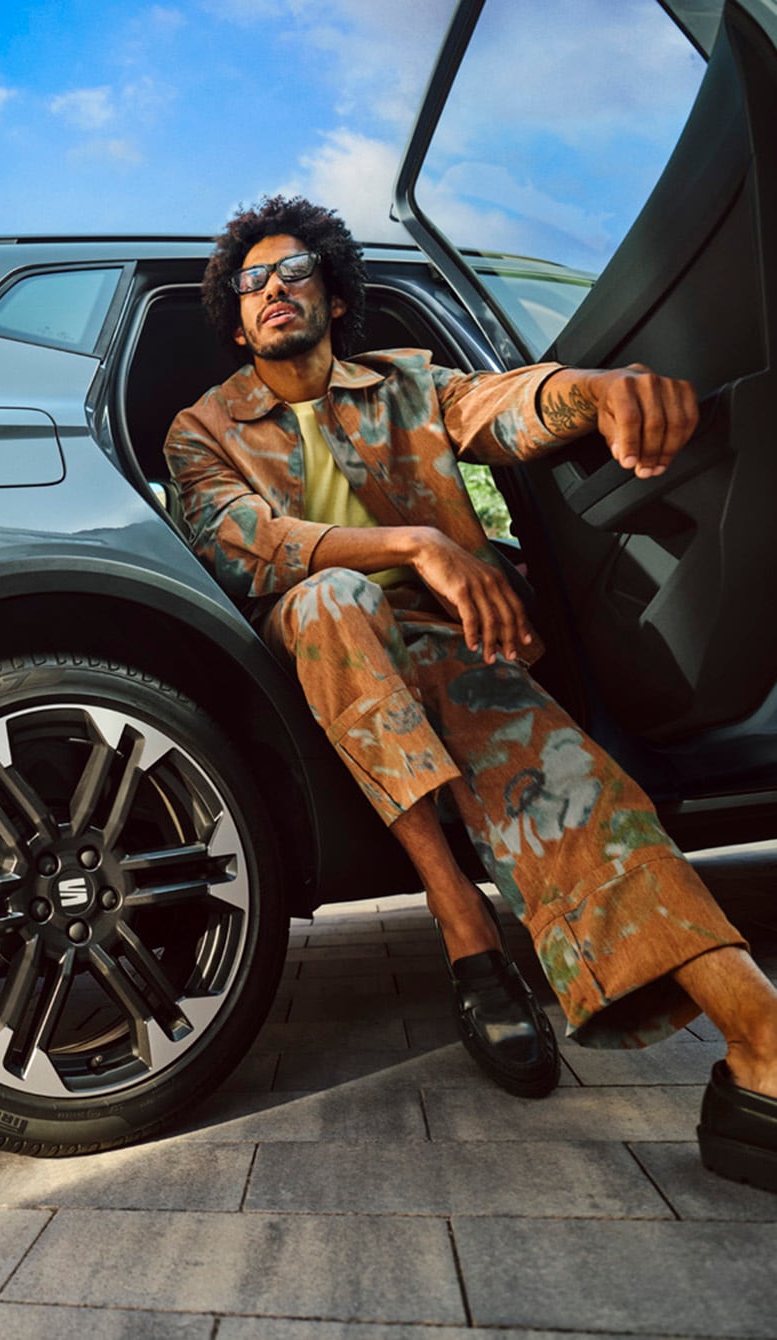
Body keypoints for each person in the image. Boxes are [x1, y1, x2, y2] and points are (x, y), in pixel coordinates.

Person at [165, 194, 777, 1191]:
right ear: (235, 320)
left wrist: (591, 387)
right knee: (333, 598)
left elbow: (504, 404)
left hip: (446, 643)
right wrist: (418, 542)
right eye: (251, 282)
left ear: (330, 292)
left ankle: (758, 1042)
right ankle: (463, 927)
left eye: (293, 272)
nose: (273, 288)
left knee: (570, 785)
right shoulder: (201, 427)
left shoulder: (405, 383)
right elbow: (244, 543)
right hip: (313, 641)